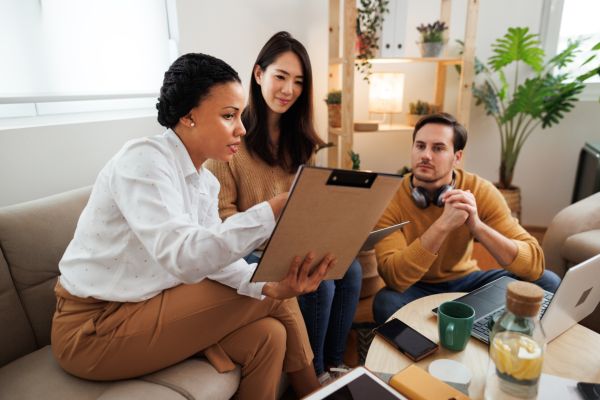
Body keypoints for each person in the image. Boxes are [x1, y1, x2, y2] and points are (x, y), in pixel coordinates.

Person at [50, 52, 338, 400]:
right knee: (272, 302)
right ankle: (317, 392)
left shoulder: (204, 183)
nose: (242, 129)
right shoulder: (143, 161)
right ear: (188, 116)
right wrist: (271, 213)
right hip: (93, 330)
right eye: (229, 116)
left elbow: (214, 261)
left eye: (240, 116)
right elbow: (184, 257)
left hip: (151, 307)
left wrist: (271, 286)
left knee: (269, 337)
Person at [206, 31, 361, 379]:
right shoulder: (231, 138)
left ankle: (336, 365)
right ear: (259, 75)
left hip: (291, 240)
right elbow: (221, 221)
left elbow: (308, 206)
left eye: (298, 81)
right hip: (245, 249)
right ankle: (316, 373)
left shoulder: (299, 140)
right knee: (319, 281)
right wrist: (275, 237)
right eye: (280, 76)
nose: (288, 89)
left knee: (350, 269)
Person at [372, 113, 560, 324]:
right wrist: (442, 225)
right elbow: (394, 278)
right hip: (415, 287)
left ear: (457, 157)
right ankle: (429, 347)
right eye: (420, 146)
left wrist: (477, 226)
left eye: (438, 148)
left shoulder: (480, 190)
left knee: (547, 282)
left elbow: (534, 263)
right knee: (385, 302)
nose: (425, 155)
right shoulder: (389, 196)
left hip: (467, 282)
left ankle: (507, 342)